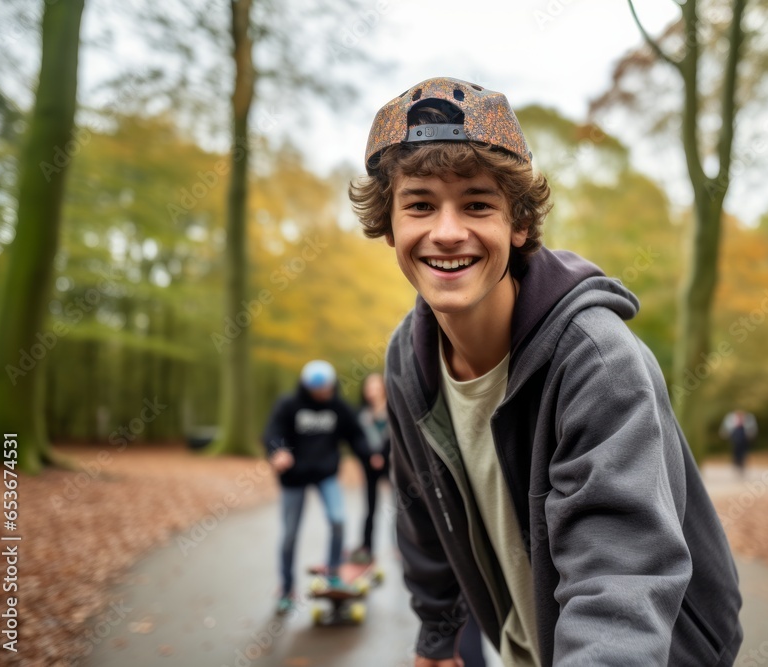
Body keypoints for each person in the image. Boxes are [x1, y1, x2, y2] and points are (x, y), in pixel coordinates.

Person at [350, 77, 742, 666]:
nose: (448, 230)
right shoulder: (408, 359)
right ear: (390, 226)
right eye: (421, 204)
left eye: (477, 203)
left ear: (520, 224)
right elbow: (420, 509)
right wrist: (438, 635)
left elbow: (621, 575)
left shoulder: (597, 361)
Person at [262, 360, 374, 614]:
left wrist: (370, 456)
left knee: (338, 520)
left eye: (327, 388)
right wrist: (277, 451)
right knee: (290, 534)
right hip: (294, 477)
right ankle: (287, 588)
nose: (324, 393)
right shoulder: (289, 405)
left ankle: (334, 572)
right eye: (318, 390)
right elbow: (272, 432)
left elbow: (355, 435)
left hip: (325, 474)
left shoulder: (337, 407)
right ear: (306, 387)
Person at [349, 372, 391, 565]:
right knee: (370, 507)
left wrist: (382, 456)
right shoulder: (362, 415)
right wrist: (369, 457)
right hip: (369, 466)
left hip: (392, 464)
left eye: (375, 386)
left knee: (402, 505)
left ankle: (402, 546)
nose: (372, 391)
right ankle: (367, 547)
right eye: (369, 387)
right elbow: (356, 440)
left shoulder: (393, 411)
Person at [719, 409, 757, 478]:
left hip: (744, 436)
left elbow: (752, 427)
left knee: (743, 452)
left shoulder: (748, 417)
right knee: (735, 451)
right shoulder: (730, 418)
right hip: (735, 435)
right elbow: (726, 426)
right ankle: (737, 463)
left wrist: (751, 435)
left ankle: (742, 464)